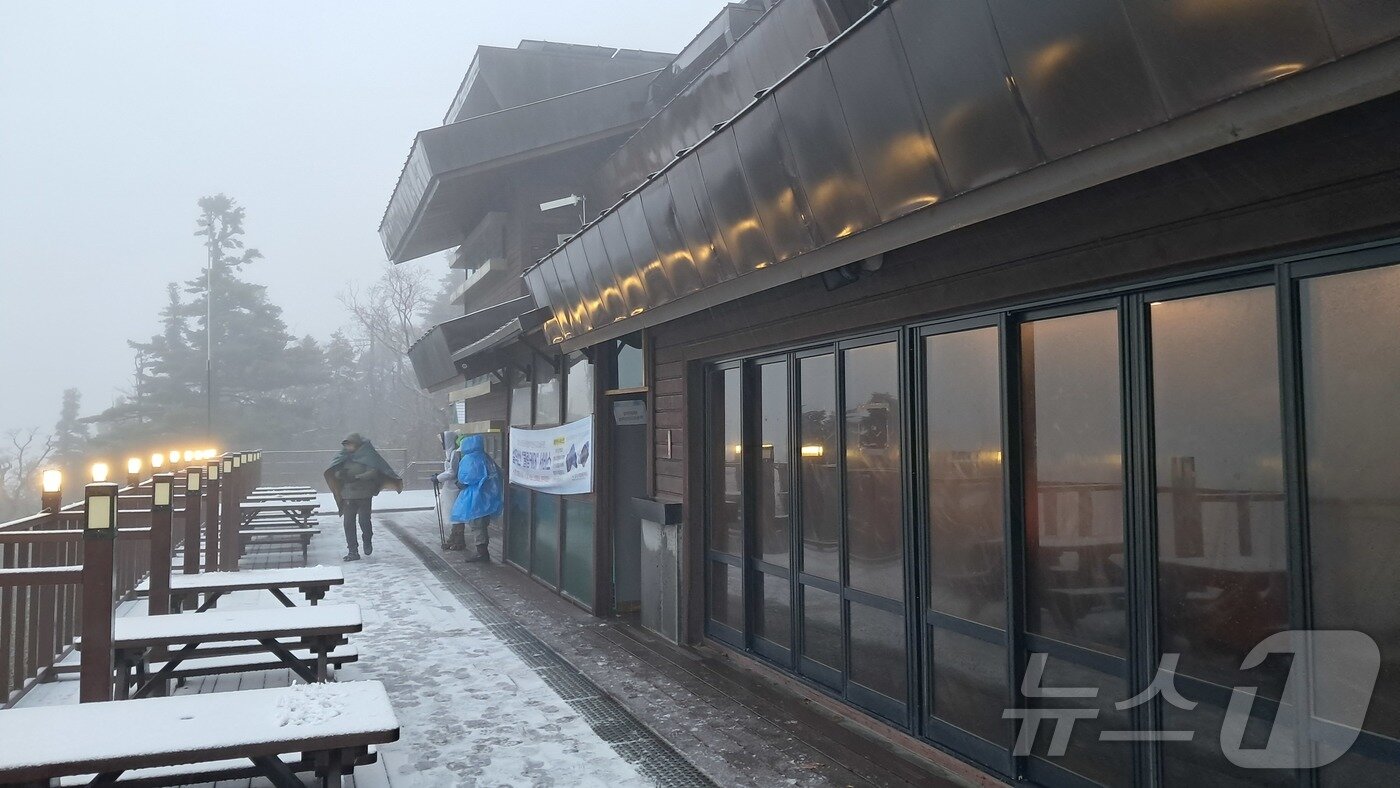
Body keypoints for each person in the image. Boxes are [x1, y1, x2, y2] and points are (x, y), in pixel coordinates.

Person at [324, 433, 403, 561]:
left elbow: (373, 471)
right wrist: (341, 474)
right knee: (348, 523)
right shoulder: (343, 456)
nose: (348, 447)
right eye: (346, 445)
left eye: (350, 444)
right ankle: (352, 551)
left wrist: (357, 477)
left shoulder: (367, 455)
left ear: (357, 444)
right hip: (348, 494)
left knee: (364, 521)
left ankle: (367, 539)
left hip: (364, 494)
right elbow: (335, 471)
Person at [437, 434, 502, 563]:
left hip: (474, 497)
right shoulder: (485, 457)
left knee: (477, 525)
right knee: (482, 524)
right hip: (487, 496)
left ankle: (482, 553)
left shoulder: (470, 459)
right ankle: (482, 551)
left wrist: (457, 484)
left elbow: (465, 479)